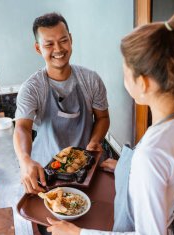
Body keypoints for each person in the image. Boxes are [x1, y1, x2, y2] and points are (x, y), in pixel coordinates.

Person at [46, 12, 174, 235]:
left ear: (143, 82)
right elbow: (165, 177)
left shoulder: (151, 155)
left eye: (125, 73)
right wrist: (125, 167)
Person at [14, 12, 110, 194]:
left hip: (87, 168)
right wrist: (25, 159)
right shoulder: (32, 88)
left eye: (63, 40)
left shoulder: (91, 80)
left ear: (71, 40)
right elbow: (22, 128)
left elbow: (103, 117)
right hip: (46, 173)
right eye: (49, 44)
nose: (58, 49)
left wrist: (95, 141)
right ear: (38, 48)